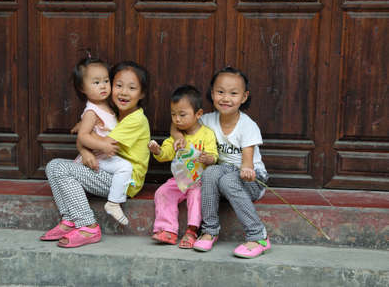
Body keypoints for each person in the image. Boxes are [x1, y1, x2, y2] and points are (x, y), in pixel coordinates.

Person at [40, 60, 150, 248]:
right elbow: (90, 137)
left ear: (142, 94)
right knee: (52, 167)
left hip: (124, 181)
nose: (123, 92)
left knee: (59, 167)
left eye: (131, 88)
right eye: (118, 85)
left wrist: (83, 141)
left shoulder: (136, 120)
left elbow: (100, 143)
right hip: (108, 171)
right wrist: (84, 142)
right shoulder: (113, 110)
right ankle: (69, 220)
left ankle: (88, 225)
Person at [173, 67, 270, 258]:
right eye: (220, 92)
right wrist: (178, 136)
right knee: (209, 173)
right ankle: (210, 230)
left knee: (227, 180)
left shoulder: (247, 125)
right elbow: (179, 120)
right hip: (224, 172)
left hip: (251, 178)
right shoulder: (208, 120)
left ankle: (258, 236)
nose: (226, 98)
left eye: (233, 93)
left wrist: (247, 169)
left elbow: (248, 160)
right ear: (212, 94)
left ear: (244, 97)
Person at [149, 85, 218, 249]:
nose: (177, 119)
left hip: (199, 180)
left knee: (196, 197)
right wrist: (158, 151)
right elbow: (166, 153)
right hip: (180, 179)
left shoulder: (207, 133)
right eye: (173, 114)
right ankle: (168, 229)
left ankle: (192, 230)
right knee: (163, 192)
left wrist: (208, 158)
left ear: (198, 114)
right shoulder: (177, 136)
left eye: (182, 115)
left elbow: (214, 155)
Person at [68, 54, 132, 225]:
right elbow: (82, 136)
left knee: (124, 167)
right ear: (82, 88)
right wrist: (102, 144)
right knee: (125, 167)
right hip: (98, 157)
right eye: (96, 83)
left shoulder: (108, 105)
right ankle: (114, 202)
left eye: (105, 81)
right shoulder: (91, 112)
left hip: (104, 157)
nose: (103, 86)